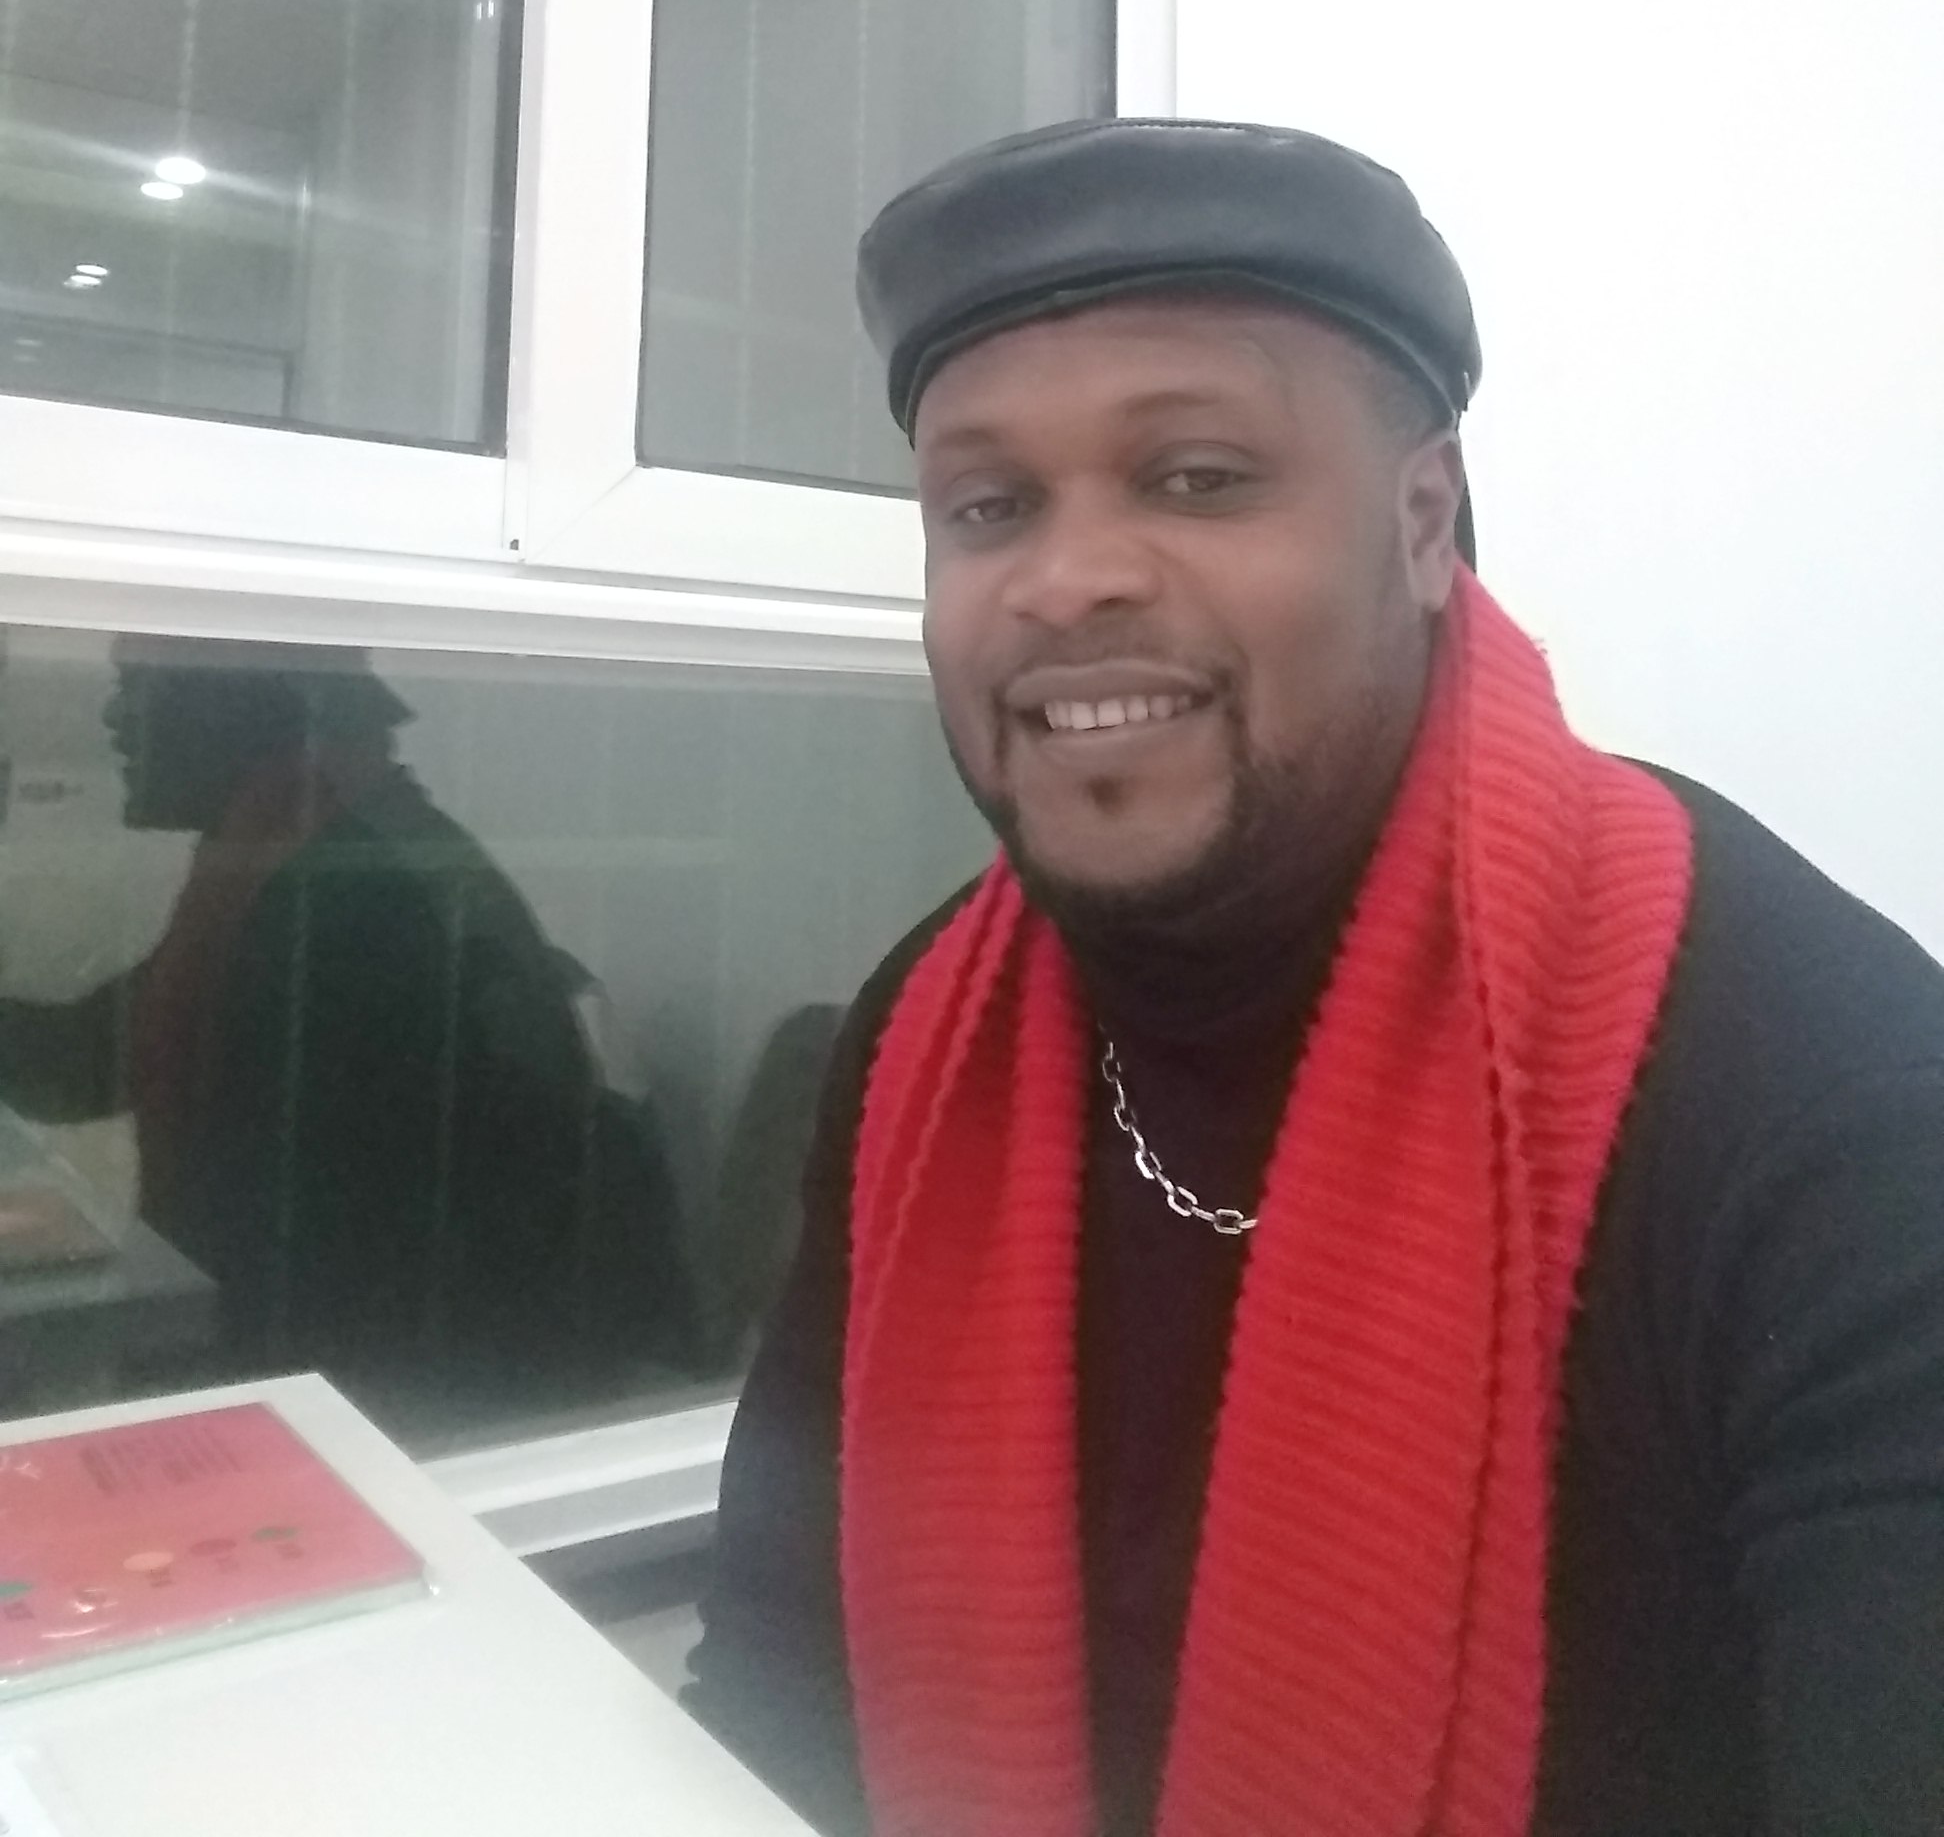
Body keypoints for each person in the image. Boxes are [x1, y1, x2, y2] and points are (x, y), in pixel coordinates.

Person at [686, 118, 1944, 1837]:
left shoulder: (1829, 1105)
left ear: (1421, 524)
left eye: (1196, 477)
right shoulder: (922, 1033)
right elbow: (773, 1677)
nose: (1065, 580)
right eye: (989, 507)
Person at [0, 641, 696, 1429]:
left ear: (236, 702)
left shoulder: (351, 900)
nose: (113, 718)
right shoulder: (295, 850)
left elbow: (318, 1262)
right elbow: (104, 1052)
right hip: (379, 1361)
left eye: (137, 688)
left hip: (418, 1402)